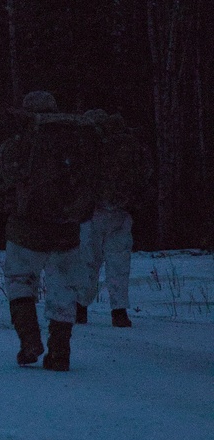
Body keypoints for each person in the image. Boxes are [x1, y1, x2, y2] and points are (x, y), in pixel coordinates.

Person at [0, 91, 100, 371]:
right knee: (64, 288)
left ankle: (29, 341)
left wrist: (8, 207)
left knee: (20, 281)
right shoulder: (78, 142)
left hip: (26, 228)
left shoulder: (18, 143)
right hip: (67, 229)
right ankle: (60, 351)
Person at [77, 110, 152, 328]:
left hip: (93, 212)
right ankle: (119, 311)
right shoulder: (132, 146)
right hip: (122, 212)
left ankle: (80, 307)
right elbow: (145, 176)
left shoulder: (89, 145)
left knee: (88, 261)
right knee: (119, 263)